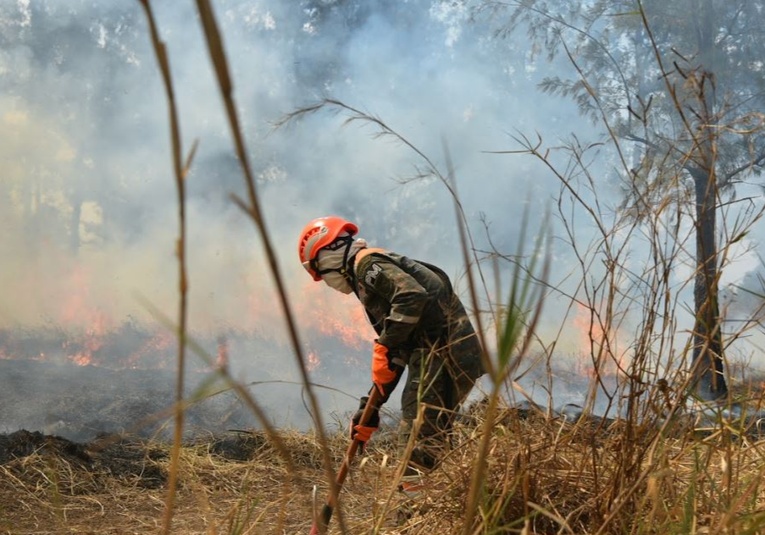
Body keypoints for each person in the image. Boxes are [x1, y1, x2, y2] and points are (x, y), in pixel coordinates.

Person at [297, 215, 485, 495]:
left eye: (321, 274)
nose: (325, 282)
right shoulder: (371, 277)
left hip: (441, 355)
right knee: (432, 434)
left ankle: (415, 513)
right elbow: (395, 354)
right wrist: (369, 410)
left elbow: (411, 296)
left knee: (417, 437)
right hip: (442, 355)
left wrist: (384, 343)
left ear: (328, 255)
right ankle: (451, 506)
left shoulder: (367, 265)